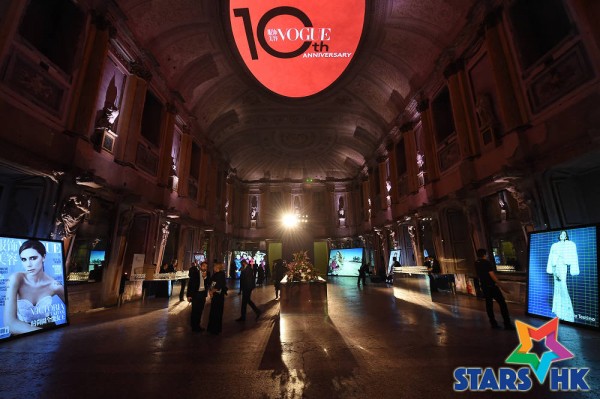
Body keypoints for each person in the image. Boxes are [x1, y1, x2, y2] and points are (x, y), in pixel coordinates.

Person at [3, 240, 66, 335]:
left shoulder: (54, 285)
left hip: (49, 330)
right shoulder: (16, 279)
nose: (28, 264)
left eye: (33, 258)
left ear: (43, 257)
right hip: (21, 333)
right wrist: (43, 333)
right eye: (24, 259)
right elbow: (10, 323)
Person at [474, 248, 514, 330]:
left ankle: (493, 323)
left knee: (489, 305)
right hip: (491, 286)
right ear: (484, 254)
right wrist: (502, 286)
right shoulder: (487, 263)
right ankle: (507, 323)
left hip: (484, 286)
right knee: (502, 303)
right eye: (487, 254)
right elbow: (492, 276)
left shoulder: (476, 263)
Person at [546, 230, 579, 322]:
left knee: (563, 286)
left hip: (562, 266)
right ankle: (557, 309)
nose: (562, 235)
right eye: (561, 234)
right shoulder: (555, 245)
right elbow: (550, 257)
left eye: (564, 234)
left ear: (566, 236)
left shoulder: (569, 244)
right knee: (557, 287)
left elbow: (573, 256)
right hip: (555, 266)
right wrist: (552, 268)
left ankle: (566, 311)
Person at [186, 261, 210, 332]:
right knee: (194, 311)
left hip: (202, 294)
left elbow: (209, 283)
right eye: (203, 266)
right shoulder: (195, 273)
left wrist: (205, 277)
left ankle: (198, 325)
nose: (205, 268)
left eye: (206, 266)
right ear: (201, 266)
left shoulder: (208, 273)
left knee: (200, 310)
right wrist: (189, 295)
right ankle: (194, 326)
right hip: (196, 294)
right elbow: (190, 284)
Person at [207, 263, 227, 335]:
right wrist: (210, 290)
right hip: (215, 295)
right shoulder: (216, 274)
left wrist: (212, 291)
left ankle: (215, 329)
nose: (213, 267)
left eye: (215, 266)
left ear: (218, 267)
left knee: (217, 312)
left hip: (218, 296)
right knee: (213, 311)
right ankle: (212, 328)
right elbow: (212, 283)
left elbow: (220, 285)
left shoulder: (221, 274)